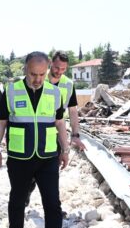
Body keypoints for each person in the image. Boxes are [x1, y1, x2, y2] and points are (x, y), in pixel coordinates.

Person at [0, 51, 70, 228]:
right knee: (17, 196)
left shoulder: (55, 93)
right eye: (33, 74)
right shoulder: (11, 91)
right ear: (25, 69)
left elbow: (59, 123)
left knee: (53, 204)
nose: (37, 79)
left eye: (42, 74)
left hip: (47, 157)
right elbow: (1, 122)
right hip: (19, 157)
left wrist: (65, 149)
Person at [25, 51, 86, 206]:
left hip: (56, 133)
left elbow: (72, 111)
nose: (59, 72)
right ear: (51, 64)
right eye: (57, 67)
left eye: (63, 69)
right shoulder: (37, 79)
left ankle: (53, 208)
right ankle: (26, 193)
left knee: (52, 172)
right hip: (36, 132)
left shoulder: (67, 85)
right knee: (31, 170)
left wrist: (75, 134)